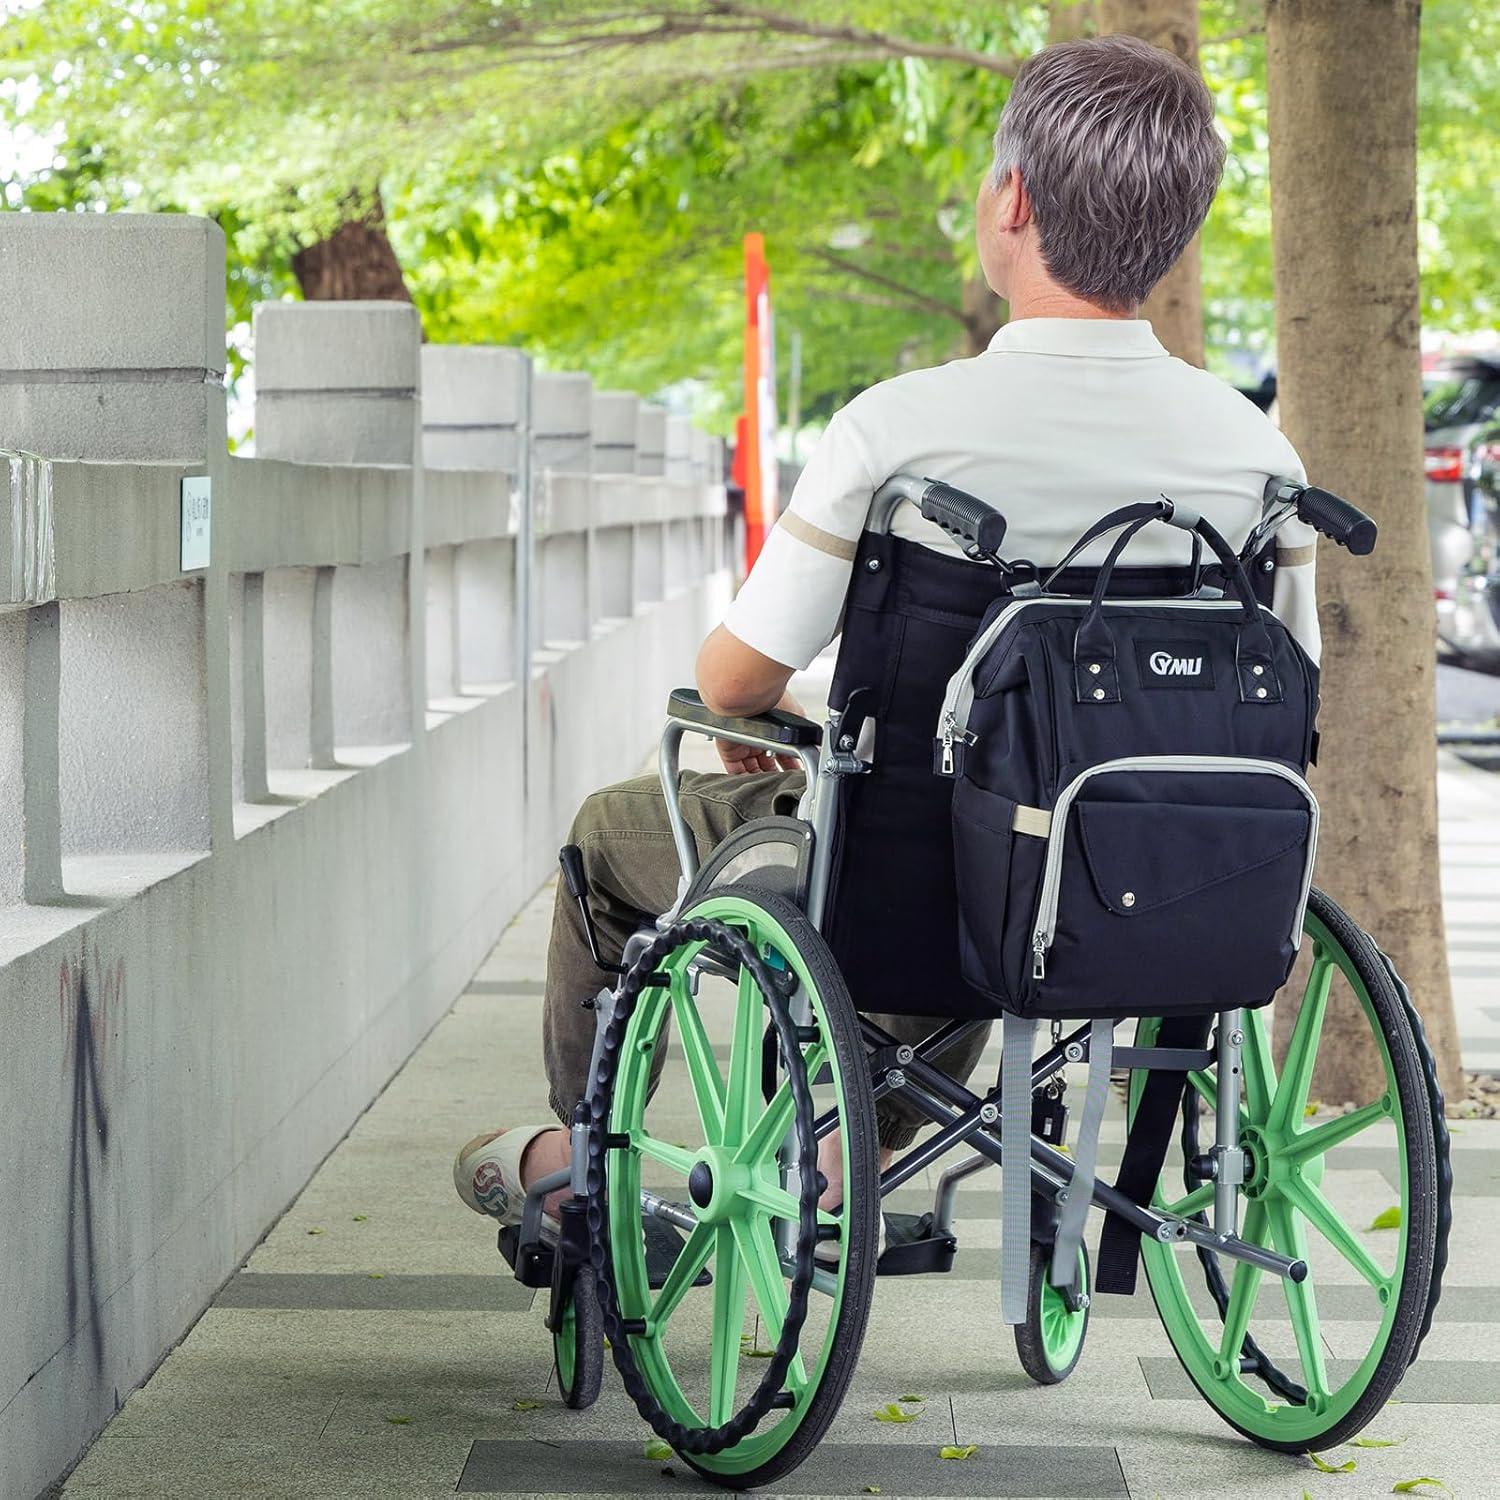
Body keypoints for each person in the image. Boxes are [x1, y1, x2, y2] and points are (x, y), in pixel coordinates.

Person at [453, 33, 1318, 1232]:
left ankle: (581, 1163)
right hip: (1167, 885)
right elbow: (1290, 690)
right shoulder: (1259, 457)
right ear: (1176, 234)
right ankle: (849, 1133)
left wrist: (788, 710)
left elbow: (735, 671)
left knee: (622, 833)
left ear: (1010, 199)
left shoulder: (904, 428)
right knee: (963, 831)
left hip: (923, 878)